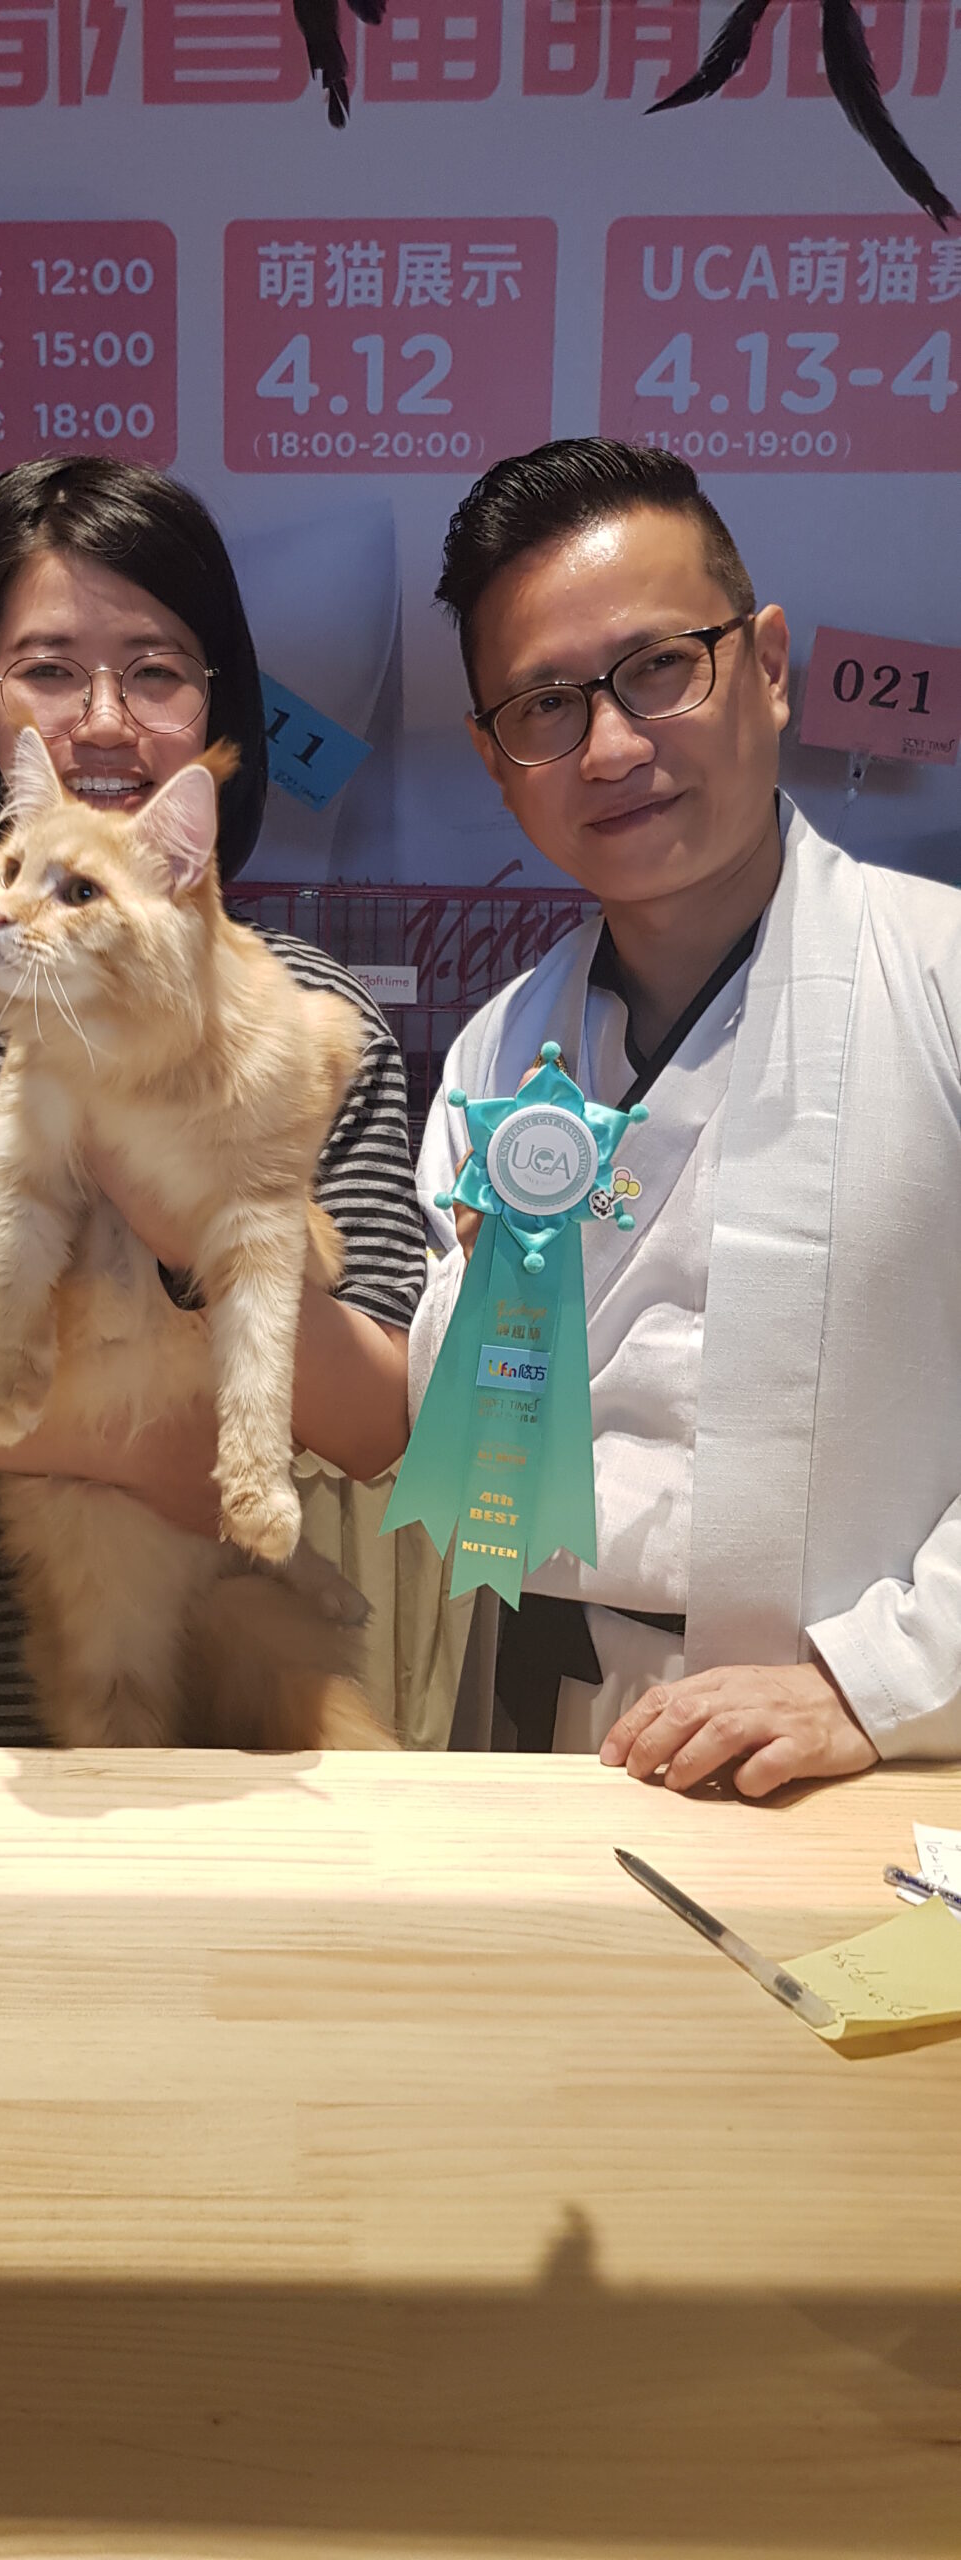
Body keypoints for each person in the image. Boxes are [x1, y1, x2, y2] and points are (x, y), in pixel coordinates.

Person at [0, 458, 425, 1744]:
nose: (103, 721)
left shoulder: (311, 1013)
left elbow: (374, 1422)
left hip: (216, 1746)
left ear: (216, 702)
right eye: (46, 669)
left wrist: (183, 1223)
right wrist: (116, 1448)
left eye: (155, 671)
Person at [414, 437, 961, 1797]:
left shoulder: (942, 978)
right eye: (544, 704)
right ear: (494, 757)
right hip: (529, 1724)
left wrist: (878, 1680)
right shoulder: (496, 1054)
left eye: (659, 667)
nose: (609, 748)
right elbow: (468, 1439)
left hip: (845, 1757)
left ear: (767, 665)